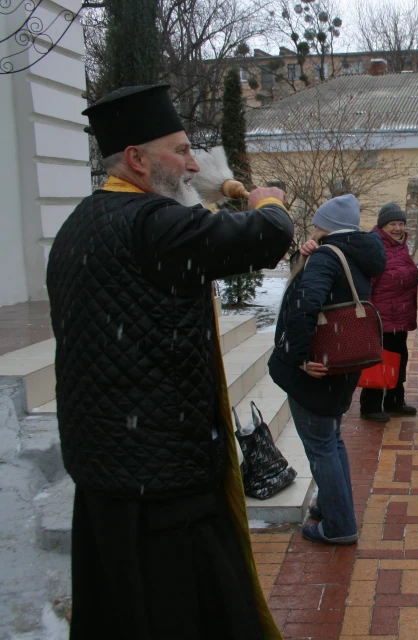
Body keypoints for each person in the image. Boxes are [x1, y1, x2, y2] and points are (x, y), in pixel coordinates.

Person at [46, 84, 293, 639]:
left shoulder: (81, 223)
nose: (193, 164)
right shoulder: (151, 223)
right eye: (179, 151)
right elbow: (265, 237)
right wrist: (268, 200)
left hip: (109, 476)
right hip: (164, 485)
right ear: (135, 159)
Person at [269, 194, 386, 545]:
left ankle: (339, 526)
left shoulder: (326, 256)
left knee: (321, 445)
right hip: (342, 360)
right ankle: (332, 506)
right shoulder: (356, 253)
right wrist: (306, 258)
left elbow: (306, 306)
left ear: (328, 225)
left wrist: (300, 357)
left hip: (317, 365)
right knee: (331, 440)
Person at [359, 203, 418, 422]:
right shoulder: (375, 247)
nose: (398, 228)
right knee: (380, 360)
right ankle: (370, 406)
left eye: (401, 223)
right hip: (381, 316)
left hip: (400, 315)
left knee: (399, 358)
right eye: (393, 223)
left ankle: (395, 401)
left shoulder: (400, 246)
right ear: (382, 225)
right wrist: (370, 315)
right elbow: (368, 285)